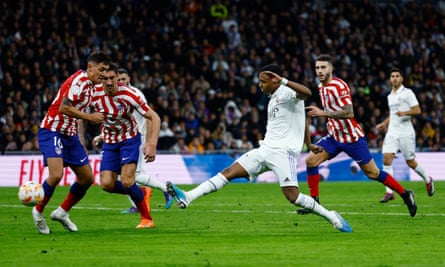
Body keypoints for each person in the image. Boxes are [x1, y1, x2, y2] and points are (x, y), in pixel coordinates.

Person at [167, 64, 353, 233]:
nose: (260, 85)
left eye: (263, 82)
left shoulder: (287, 91)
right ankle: (188, 197)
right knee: (229, 172)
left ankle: (332, 217)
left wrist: (284, 81)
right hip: (265, 149)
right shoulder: (273, 99)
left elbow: (307, 93)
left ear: (274, 80)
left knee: (293, 196)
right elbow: (303, 118)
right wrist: (309, 143)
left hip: (283, 152)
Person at [297, 54, 417, 217]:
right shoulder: (321, 86)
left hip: (352, 138)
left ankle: (405, 193)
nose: (319, 71)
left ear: (331, 68)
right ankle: (314, 203)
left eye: (323, 67)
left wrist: (323, 113)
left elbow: (349, 112)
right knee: (311, 161)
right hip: (334, 137)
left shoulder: (339, 86)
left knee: (372, 173)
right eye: (317, 67)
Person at [33, 51, 111, 234]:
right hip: (52, 130)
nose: (103, 73)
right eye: (101, 69)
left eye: (106, 70)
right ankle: (38, 212)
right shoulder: (79, 81)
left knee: (87, 178)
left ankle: (62, 212)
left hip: (70, 135)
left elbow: (80, 115)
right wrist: (90, 116)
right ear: (90, 67)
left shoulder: (93, 86)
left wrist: (80, 138)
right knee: (56, 174)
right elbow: (64, 107)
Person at [90, 64, 161, 228]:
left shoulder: (130, 95)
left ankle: (147, 219)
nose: (108, 82)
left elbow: (154, 117)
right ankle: (140, 192)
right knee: (107, 185)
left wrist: (152, 144)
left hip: (129, 139)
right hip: (110, 142)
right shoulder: (94, 94)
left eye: (112, 78)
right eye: (105, 78)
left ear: (117, 78)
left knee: (128, 180)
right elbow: (79, 113)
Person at [115, 68, 173, 212]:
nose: (121, 82)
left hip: (138, 138)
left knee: (136, 175)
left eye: (123, 79)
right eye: (118, 79)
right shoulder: (116, 96)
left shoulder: (136, 94)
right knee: (120, 176)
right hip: (125, 138)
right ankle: (136, 204)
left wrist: (148, 142)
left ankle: (166, 189)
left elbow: (149, 117)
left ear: (129, 79)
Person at [376, 67, 435, 203]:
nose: (395, 78)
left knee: (410, 162)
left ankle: (427, 179)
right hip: (392, 132)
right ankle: (389, 192)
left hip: (406, 133)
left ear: (401, 78)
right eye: (392, 76)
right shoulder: (390, 96)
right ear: (390, 79)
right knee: (386, 159)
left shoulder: (408, 93)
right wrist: (384, 123)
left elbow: (417, 110)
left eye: (397, 76)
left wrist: (405, 113)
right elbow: (393, 113)